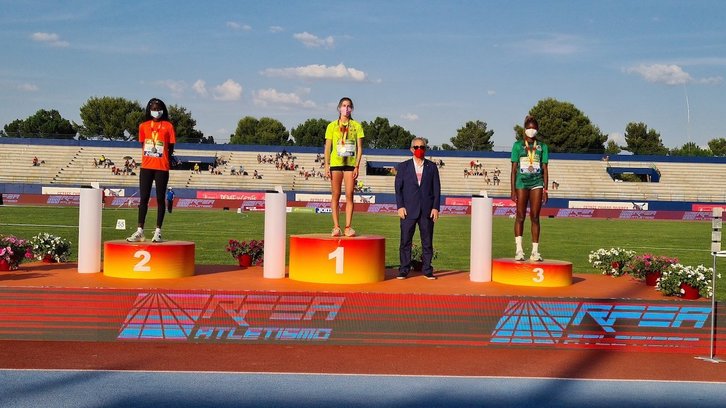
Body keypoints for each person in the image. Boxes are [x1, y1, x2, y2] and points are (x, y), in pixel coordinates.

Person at [127, 98, 176, 243]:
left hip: (162, 167)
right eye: (154, 108)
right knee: (143, 199)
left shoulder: (168, 126)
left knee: (160, 199)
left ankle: (158, 232)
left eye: (159, 108)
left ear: (163, 109)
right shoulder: (143, 126)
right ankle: (140, 231)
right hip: (146, 166)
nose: (156, 110)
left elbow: (171, 147)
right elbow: (143, 144)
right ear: (149, 110)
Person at [395, 137, 441, 280]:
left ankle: (427, 270)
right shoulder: (403, 167)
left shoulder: (432, 167)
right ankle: (404, 269)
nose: (419, 150)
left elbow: (436, 189)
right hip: (408, 210)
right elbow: (398, 189)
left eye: (422, 147)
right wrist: (400, 206)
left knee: (427, 242)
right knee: (405, 241)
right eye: (416, 147)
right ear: (411, 149)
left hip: (427, 211)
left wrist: (435, 208)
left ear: (425, 149)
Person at [510, 115, 549, 261]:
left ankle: (535, 251)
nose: (531, 130)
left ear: (537, 130)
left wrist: (545, 189)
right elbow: (513, 169)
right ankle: (519, 250)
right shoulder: (517, 146)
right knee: (520, 216)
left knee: (535, 217)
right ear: (525, 129)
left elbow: (545, 169)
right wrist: (513, 190)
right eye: (529, 128)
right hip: (521, 183)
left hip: (537, 183)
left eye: (534, 128)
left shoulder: (543, 147)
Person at [324, 97, 364, 237]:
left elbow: (360, 148)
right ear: (339, 108)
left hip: (350, 165)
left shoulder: (356, 126)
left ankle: (348, 227)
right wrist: (327, 165)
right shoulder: (332, 126)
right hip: (336, 164)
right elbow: (328, 147)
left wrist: (357, 166)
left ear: (351, 109)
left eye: (349, 106)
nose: (346, 108)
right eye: (343, 106)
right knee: (335, 194)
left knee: (349, 195)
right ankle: (336, 227)